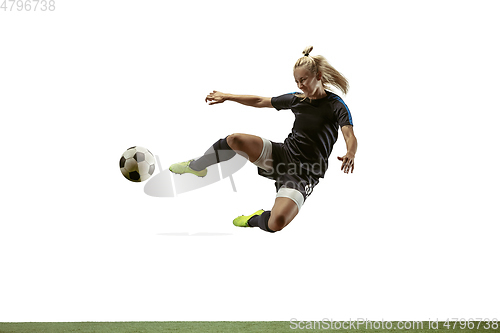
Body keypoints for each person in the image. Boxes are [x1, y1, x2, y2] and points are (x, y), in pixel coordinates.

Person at [169, 46, 357, 233]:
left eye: (303, 80)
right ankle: (197, 167)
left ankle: (254, 219)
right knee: (235, 140)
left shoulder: (336, 105)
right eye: (297, 81)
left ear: (319, 76)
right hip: (283, 154)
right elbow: (260, 101)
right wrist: (227, 96)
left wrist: (350, 152)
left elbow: (349, 134)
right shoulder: (297, 99)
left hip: (304, 173)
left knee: (277, 222)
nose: (300, 86)